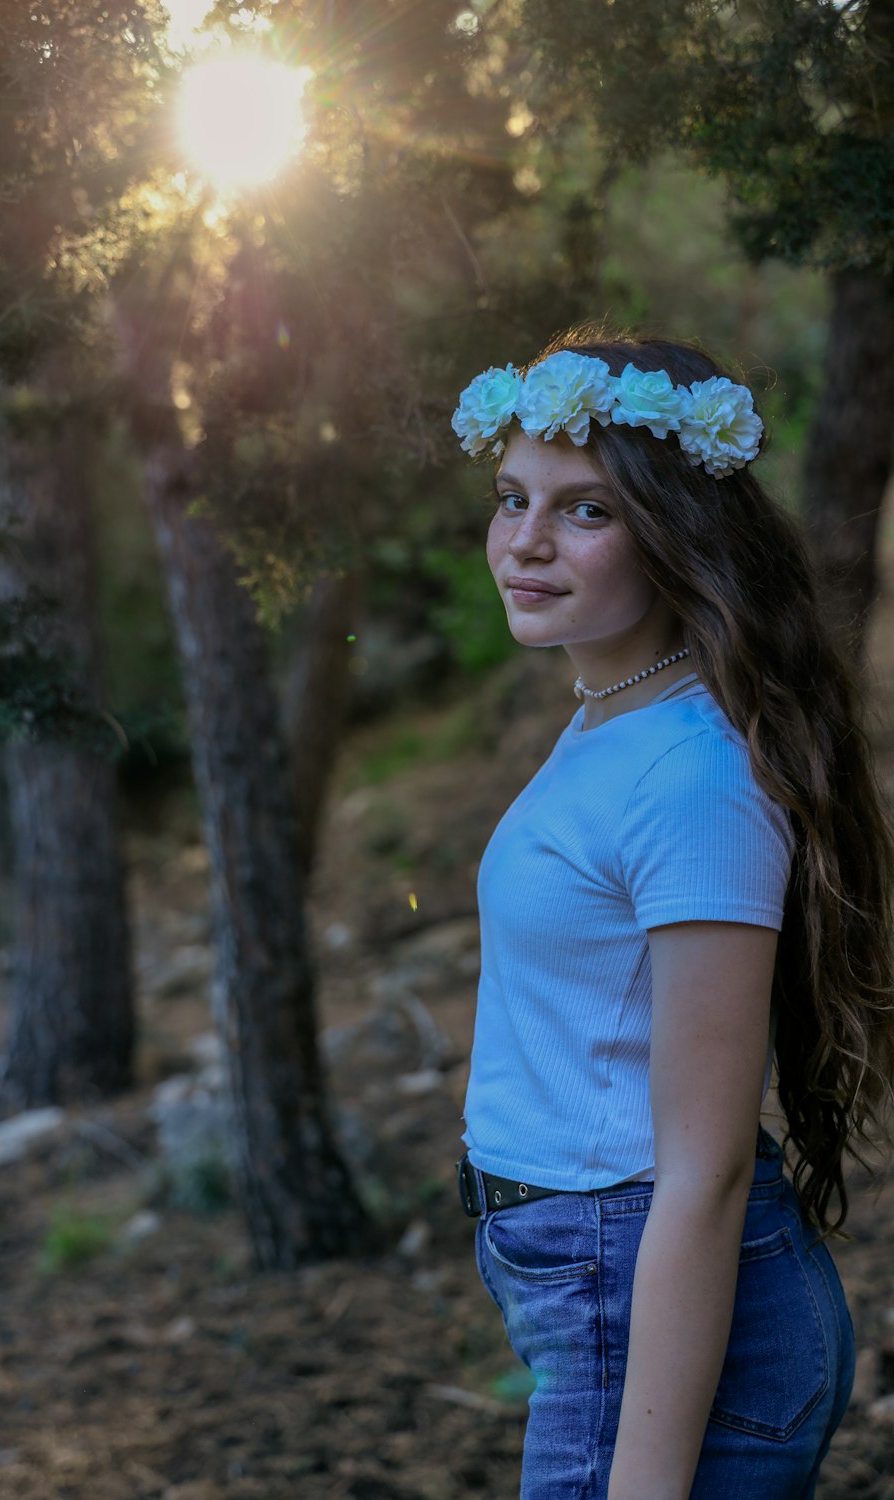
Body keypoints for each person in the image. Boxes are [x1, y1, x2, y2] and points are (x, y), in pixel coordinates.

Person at [450, 329, 894, 1500]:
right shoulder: (615, 713)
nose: (525, 542)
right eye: (512, 499)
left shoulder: (690, 776)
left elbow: (700, 1170)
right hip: (591, 1283)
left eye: (584, 512)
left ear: (676, 532)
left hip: (645, 1289)